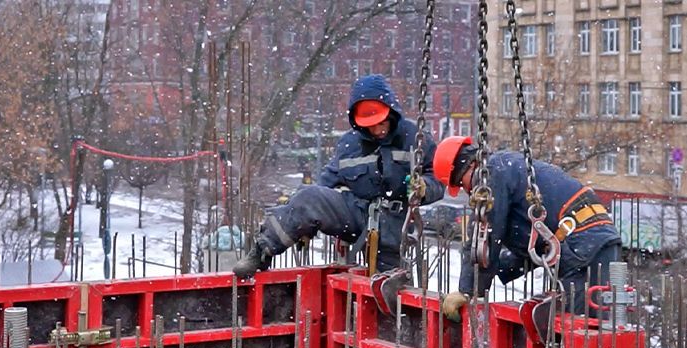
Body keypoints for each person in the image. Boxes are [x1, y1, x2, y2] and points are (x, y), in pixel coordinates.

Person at [232, 74, 445, 278]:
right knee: (309, 197)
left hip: (394, 223)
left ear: (391, 114)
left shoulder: (415, 139)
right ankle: (262, 251)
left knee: (388, 289)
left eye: (381, 123)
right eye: (370, 126)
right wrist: (303, 221)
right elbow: (326, 184)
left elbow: (438, 178)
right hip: (357, 214)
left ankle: (390, 308)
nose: (377, 130)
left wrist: (424, 187)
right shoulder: (349, 145)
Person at [436, 136, 622, 321]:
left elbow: (484, 236)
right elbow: (534, 245)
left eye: (461, 184)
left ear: (468, 167)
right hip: (591, 240)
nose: (467, 191)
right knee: (590, 322)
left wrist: (467, 290)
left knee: (580, 328)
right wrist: (500, 267)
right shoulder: (507, 167)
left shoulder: (491, 173)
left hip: (583, 242)